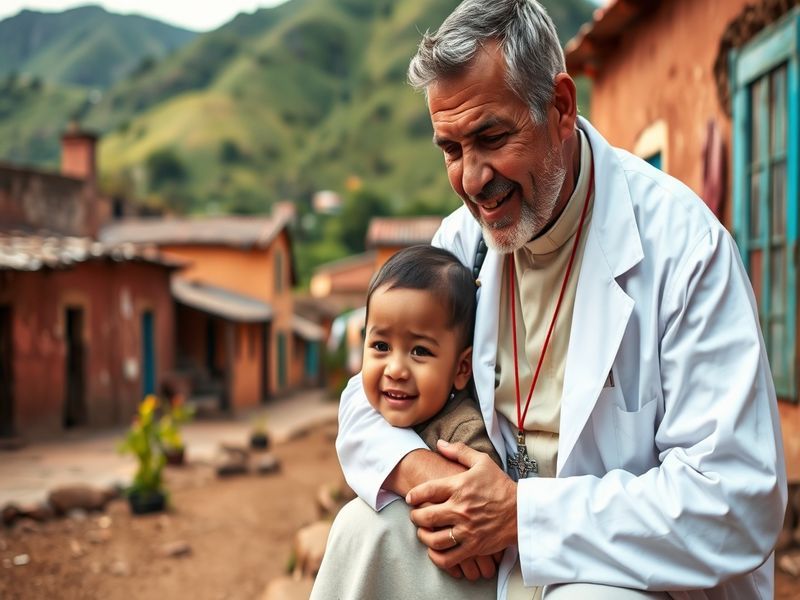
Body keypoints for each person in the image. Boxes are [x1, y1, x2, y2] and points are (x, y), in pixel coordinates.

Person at [313, 1, 788, 599]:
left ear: (560, 107)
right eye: (452, 150)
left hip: (623, 573)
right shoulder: (462, 243)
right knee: (364, 533)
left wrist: (521, 514)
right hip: (494, 558)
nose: (473, 180)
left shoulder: (685, 249)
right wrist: (431, 478)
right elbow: (366, 398)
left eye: (491, 137)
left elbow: (735, 500)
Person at [359, 245, 502, 468]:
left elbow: (479, 483)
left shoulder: (462, 433)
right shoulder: (368, 412)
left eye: (420, 351)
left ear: (462, 368)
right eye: (381, 346)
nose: (395, 370)